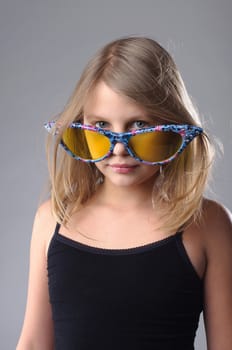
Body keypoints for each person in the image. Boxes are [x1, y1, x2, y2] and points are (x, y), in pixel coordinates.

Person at [16, 36, 232, 350]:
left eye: (139, 125)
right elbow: (34, 343)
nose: (118, 148)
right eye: (101, 124)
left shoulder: (208, 224)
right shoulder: (52, 219)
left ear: (173, 127)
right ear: (82, 125)